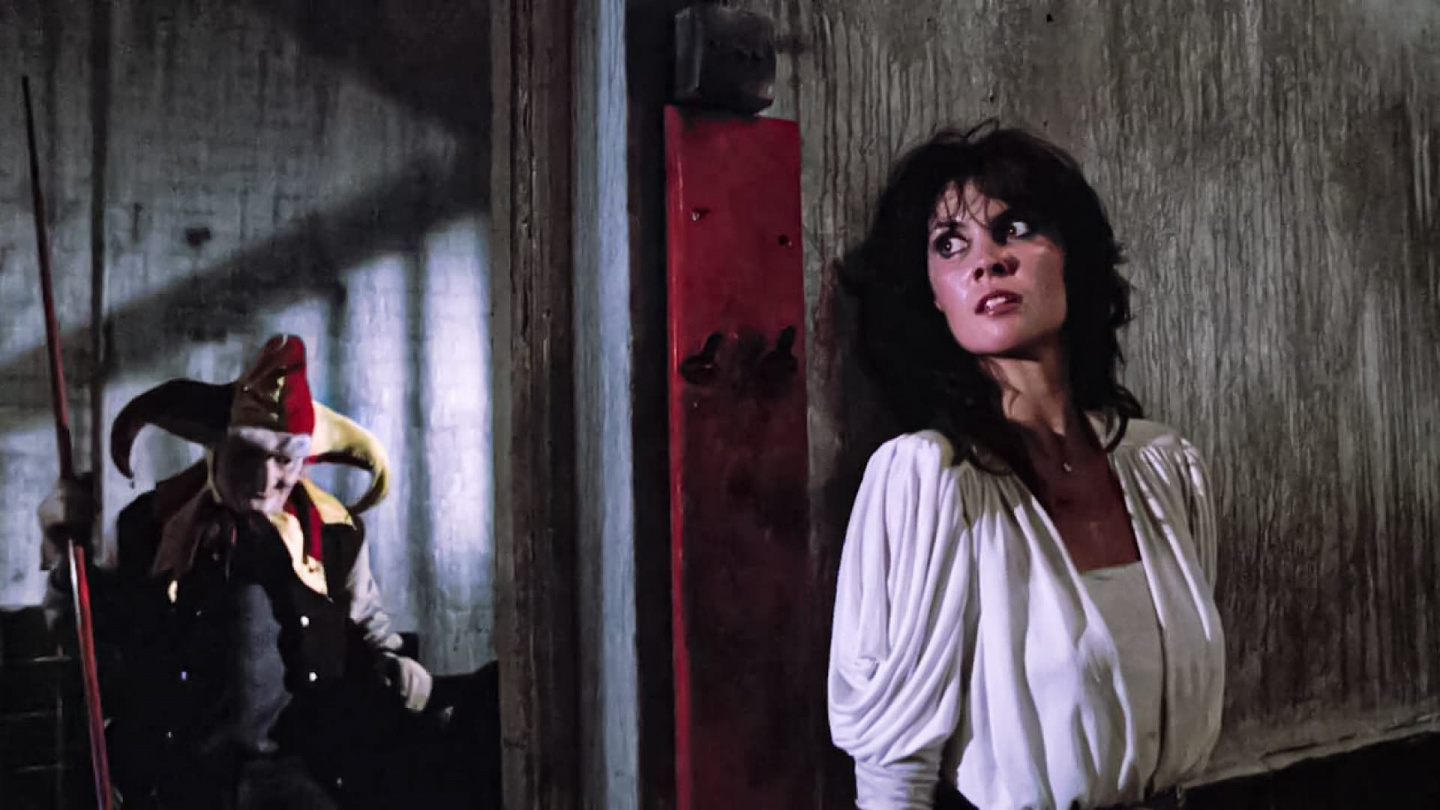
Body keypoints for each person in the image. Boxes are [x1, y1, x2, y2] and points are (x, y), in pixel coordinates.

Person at [826, 124, 1225, 810]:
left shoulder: (1165, 470)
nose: (986, 262)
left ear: (1071, 257)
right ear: (933, 293)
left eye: (1014, 229)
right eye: (950, 245)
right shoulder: (930, 481)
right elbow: (894, 778)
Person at [39, 334, 500, 810]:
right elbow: (80, 632)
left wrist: (395, 663)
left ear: (304, 459)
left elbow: (367, 625)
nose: (264, 481)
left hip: (298, 774)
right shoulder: (149, 527)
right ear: (217, 446)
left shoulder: (334, 534)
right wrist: (64, 549)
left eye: (283, 459)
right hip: (181, 778)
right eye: (247, 455)